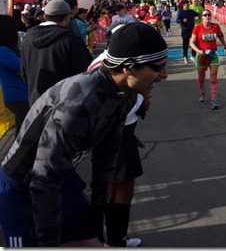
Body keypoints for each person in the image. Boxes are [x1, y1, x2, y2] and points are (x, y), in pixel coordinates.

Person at [0, 22, 168, 247]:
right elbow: (43, 182)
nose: (164, 75)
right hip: (22, 186)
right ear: (128, 68)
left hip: (60, 179)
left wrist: (97, 212)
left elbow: (106, 155)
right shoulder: (79, 103)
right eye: (158, 68)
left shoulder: (122, 94)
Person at [87, 25, 146, 247]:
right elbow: (114, 102)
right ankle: (113, 239)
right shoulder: (105, 66)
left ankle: (110, 237)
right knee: (119, 189)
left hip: (116, 132)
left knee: (111, 187)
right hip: (115, 133)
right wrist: (140, 99)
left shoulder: (110, 62)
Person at [20, 0, 93, 105]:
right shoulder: (70, 39)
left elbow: (24, 73)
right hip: (65, 103)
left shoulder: (28, 38)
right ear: (67, 17)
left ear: (45, 16)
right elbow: (84, 72)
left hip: (36, 103)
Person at [189, 10, 226, 110]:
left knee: (213, 75)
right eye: (205, 15)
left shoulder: (215, 27)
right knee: (201, 77)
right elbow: (192, 43)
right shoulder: (197, 28)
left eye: (209, 15)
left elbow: (220, 36)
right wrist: (199, 51)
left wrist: (225, 46)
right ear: (201, 17)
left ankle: (214, 99)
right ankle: (202, 93)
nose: (207, 16)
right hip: (201, 55)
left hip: (213, 54)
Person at [0, 15, 29, 134]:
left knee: (22, 129)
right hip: (18, 96)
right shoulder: (3, 51)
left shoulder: (7, 49)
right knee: (27, 132)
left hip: (19, 95)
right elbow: (22, 68)